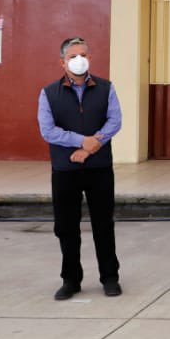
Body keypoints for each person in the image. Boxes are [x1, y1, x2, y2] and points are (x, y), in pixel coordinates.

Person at [37, 36, 124, 300]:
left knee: (103, 224)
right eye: (73, 56)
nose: (79, 60)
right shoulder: (48, 93)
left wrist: (91, 146)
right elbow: (48, 131)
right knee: (66, 227)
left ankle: (110, 277)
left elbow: (115, 121)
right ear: (62, 62)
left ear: (90, 58)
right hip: (65, 169)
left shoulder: (106, 88)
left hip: (99, 167)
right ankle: (71, 280)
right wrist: (80, 141)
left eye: (83, 55)